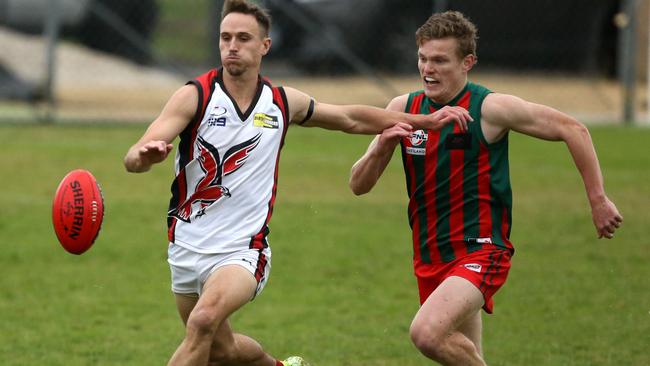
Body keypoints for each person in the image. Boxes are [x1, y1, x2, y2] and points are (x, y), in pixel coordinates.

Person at [123, 1, 472, 366]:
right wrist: (143, 156)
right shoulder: (195, 95)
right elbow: (134, 155)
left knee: (204, 320)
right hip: (186, 246)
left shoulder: (280, 102)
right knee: (219, 349)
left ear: (264, 46)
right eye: (225, 37)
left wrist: (424, 122)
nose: (232, 46)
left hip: (242, 249)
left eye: (243, 38)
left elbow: (349, 118)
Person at [349, 11, 623, 366]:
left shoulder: (490, 108)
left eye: (439, 61)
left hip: (481, 252)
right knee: (461, 354)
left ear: (468, 62)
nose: (427, 69)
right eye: (422, 58)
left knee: (427, 333)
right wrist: (383, 145)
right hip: (430, 256)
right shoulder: (404, 109)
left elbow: (573, 129)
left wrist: (598, 199)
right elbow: (358, 185)